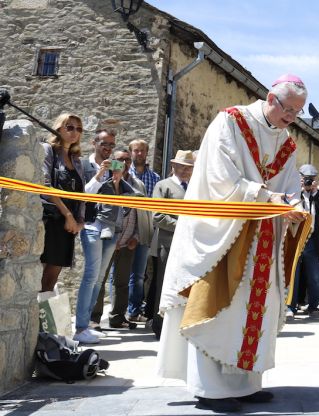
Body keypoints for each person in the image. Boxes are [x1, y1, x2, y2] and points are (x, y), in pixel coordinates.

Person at [156, 74, 307, 413]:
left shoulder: (287, 144)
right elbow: (219, 176)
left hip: (263, 237)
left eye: (298, 112)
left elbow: (290, 187)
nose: (291, 118)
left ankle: (246, 383)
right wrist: (266, 197)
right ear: (271, 98)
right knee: (218, 307)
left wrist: (292, 206)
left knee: (255, 309)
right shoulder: (232, 121)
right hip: (224, 231)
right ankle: (210, 389)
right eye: (288, 109)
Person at [76, 153, 134, 343]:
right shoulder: (89, 167)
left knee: (99, 279)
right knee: (91, 276)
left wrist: (117, 180)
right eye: (104, 144)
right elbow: (85, 194)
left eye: (124, 162)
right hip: (93, 227)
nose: (120, 165)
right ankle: (81, 327)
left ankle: (85, 326)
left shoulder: (121, 183)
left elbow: (126, 207)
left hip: (112, 232)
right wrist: (101, 173)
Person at [90, 147, 150, 329]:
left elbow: (143, 212)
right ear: (112, 161)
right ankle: (94, 318)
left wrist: (137, 237)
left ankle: (117, 317)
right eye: (120, 159)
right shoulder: (105, 182)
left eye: (127, 160)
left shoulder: (138, 184)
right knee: (99, 280)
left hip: (128, 242)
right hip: (107, 239)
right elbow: (98, 209)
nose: (124, 163)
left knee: (122, 282)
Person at [146, 149, 195, 338]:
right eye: (182, 166)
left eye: (188, 168)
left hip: (189, 244)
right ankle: (159, 325)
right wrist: (183, 226)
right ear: (174, 166)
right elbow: (157, 216)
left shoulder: (193, 188)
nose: (185, 171)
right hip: (167, 243)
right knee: (163, 285)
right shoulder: (163, 186)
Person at [40, 113, 85, 293]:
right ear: (58, 128)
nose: (75, 132)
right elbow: (44, 185)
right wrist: (68, 215)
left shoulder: (77, 161)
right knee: (41, 278)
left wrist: (80, 221)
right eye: (70, 127)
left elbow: (81, 193)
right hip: (51, 219)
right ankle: (34, 319)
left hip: (68, 224)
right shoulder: (48, 150)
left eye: (79, 129)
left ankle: (42, 319)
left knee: (51, 279)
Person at [289, 164, 319, 319]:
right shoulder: (294, 193)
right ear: (300, 177)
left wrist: (315, 193)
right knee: (294, 274)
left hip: (313, 240)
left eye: (311, 179)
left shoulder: (318, 194)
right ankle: (291, 306)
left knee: (313, 275)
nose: (308, 181)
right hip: (296, 237)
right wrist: (299, 189)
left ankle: (313, 306)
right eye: (306, 178)